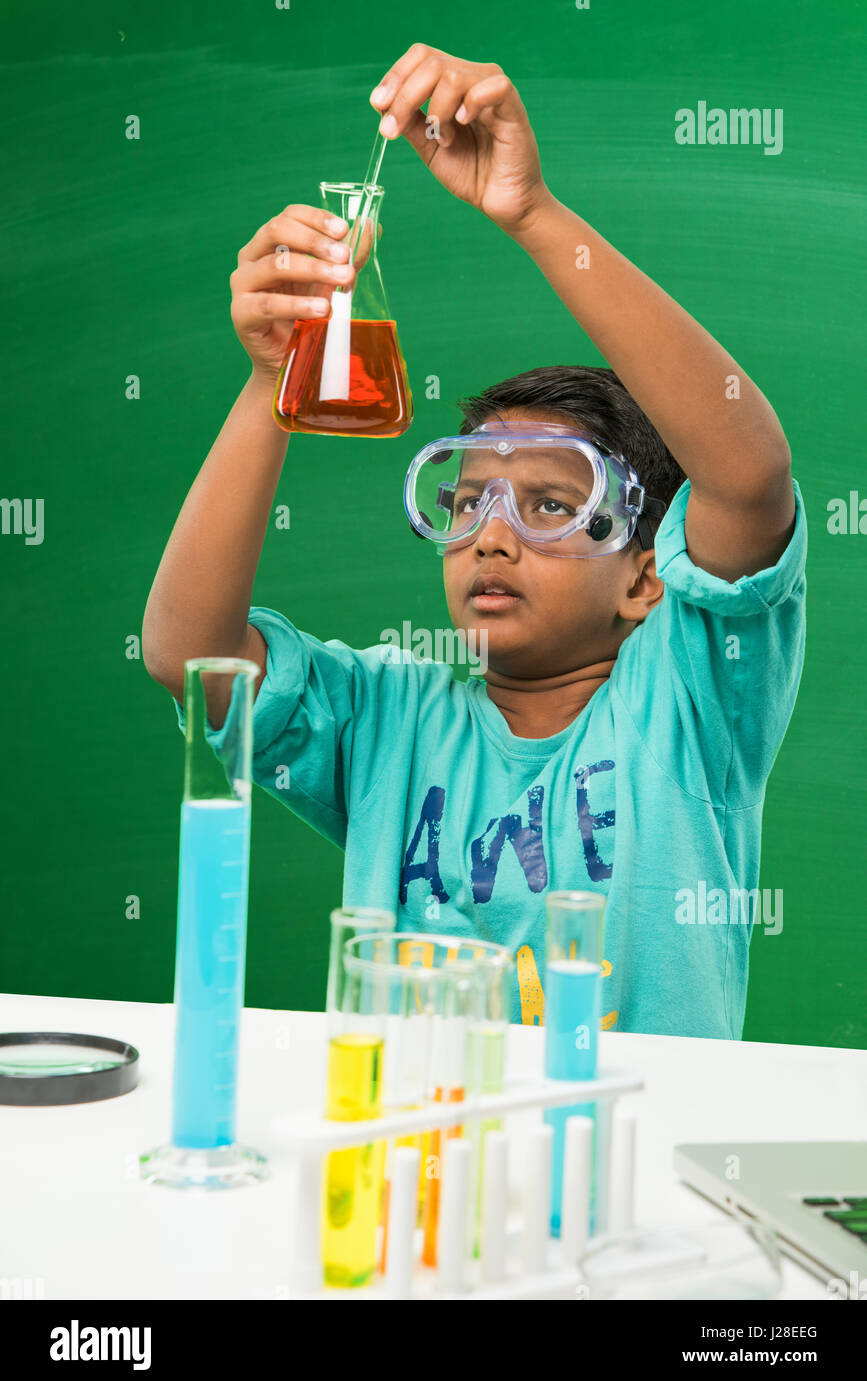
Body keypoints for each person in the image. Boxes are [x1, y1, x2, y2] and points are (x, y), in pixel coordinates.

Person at [142, 44, 806, 1037]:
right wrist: (270, 379)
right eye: (465, 502)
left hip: (621, 1159)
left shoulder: (687, 696)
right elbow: (187, 655)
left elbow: (747, 478)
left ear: (646, 577)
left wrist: (530, 214)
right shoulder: (387, 715)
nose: (490, 535)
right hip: (415, 1155)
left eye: (548, 505)